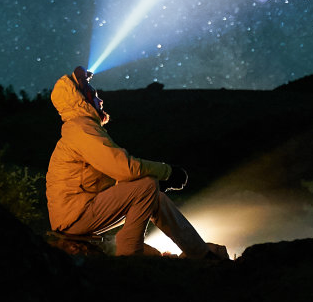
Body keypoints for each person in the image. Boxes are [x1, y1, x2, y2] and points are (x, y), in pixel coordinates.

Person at [44, 66, 228, 259]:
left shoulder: (81, 129)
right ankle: (130, 255)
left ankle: (201, 254)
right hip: (74, 218)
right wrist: (167, 172)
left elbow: (113, 178)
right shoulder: (81, 129)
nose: (100, 100)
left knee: (153, 195)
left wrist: (156, 180)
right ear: (82, 99)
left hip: (79, 212)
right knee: (146, 186)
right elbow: (124, 168)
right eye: (94, 94)